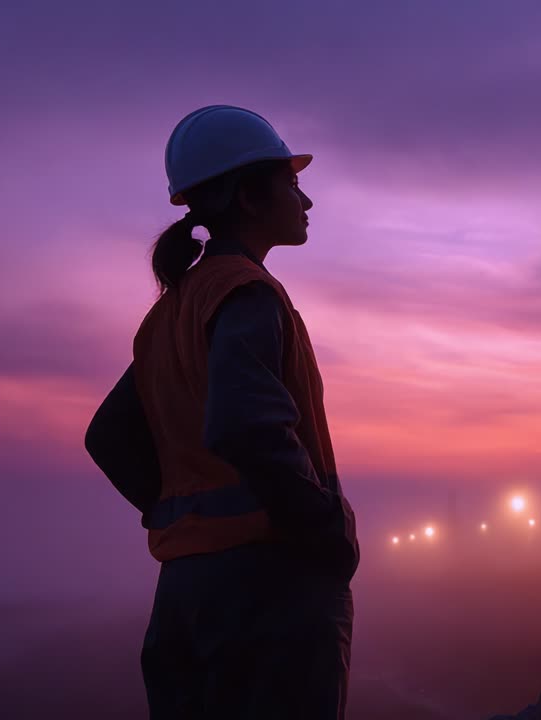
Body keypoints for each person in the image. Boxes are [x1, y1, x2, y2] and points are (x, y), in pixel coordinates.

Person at [84, 104, 359, 719]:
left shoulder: (172, 311)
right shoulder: (246, 292)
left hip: (184, 593)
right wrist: (325, 528)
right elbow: (244, 425)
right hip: (268, 589)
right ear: (248, 197)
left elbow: (107, 435)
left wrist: (183, 514)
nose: (306, 200)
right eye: (291, 183)